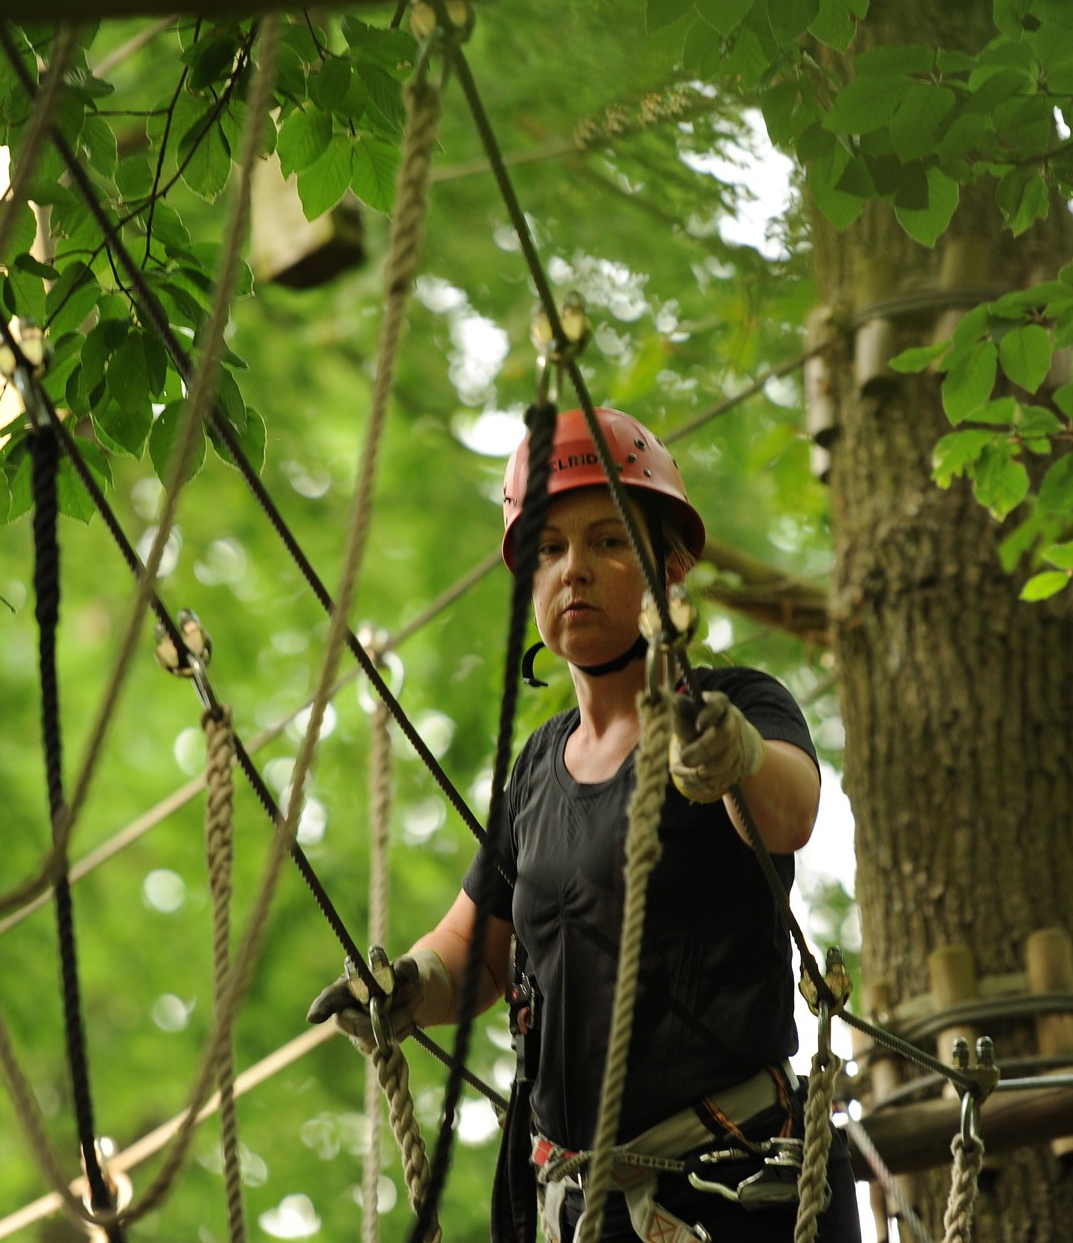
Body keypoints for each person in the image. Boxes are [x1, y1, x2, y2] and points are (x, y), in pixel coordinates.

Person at [310, 408, 859, 1243]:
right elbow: (476, 954)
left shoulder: (734, 705)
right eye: (550, 549)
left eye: (609, 542)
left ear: (669, 569)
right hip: (574, 1208)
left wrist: (734, 753)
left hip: (728, 1193)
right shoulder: (536, 769)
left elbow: (790, 813)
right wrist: (407, 988)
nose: (575, 570)